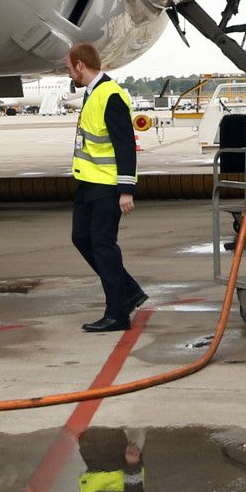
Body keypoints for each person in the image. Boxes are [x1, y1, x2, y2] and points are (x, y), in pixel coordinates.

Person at [67, 44, 145, 332]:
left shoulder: (110, 95)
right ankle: (129, 291)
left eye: (69, 67)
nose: (69, 73)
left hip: (107, 185)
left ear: (80, 65)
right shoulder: (93, 94)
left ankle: (117, 312)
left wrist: (126, 189)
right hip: (88, 183)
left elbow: (126, 144)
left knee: (102, 245)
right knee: (81, 238)